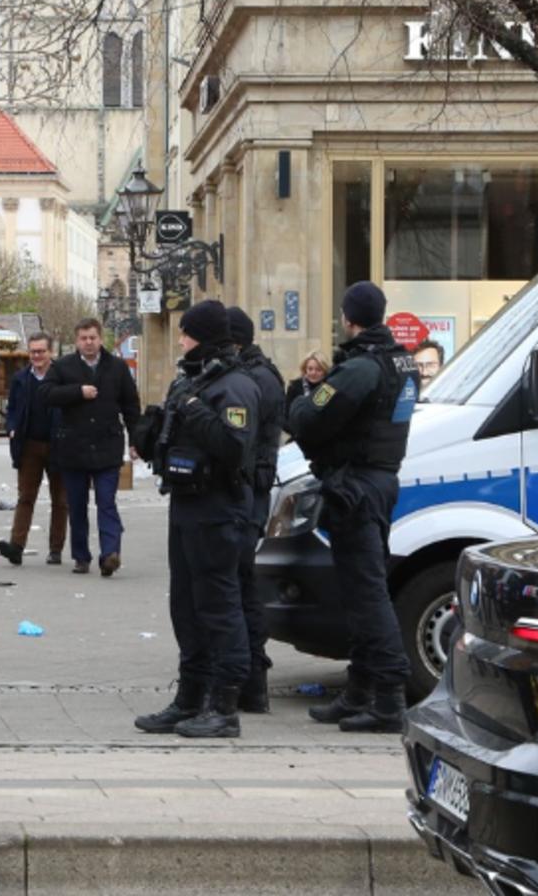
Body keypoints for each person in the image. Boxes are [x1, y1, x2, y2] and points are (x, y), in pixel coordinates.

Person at [287, 281, 419, 733]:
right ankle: (360, 688)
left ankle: (388, 697)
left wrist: (302, 402)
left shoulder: (361, 368)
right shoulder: (403, 362)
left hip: (356, 487)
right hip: (378, 482)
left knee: (367, 594)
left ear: (349, 318)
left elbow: (308, 419)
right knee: (363, 589)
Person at [131, 301, 259, 739]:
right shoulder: (194, 380)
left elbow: (233, 446)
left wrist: (191, 407)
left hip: (218, 507)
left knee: (219, 607)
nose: (180, 340)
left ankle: (224, 706)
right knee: (185, 606)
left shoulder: (234, 385)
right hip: (186, 503)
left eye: (186, 333)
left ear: (201, 336)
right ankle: (189, 697)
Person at [42, 319, 141, 576]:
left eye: (93, 338)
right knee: (76, 505)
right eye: (84, 338)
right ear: (77, 341)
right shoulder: (63, 366)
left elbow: (131, 406)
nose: (88, 342)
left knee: (106, 502)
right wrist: (77, 392)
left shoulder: (117, 367)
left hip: (107, 447)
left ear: (101, 339)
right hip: (73, 448)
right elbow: (47, 394)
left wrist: (136, 442)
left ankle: (110, 554)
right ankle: (81, 556)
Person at [225, 307, 284, 713]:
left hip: (249, 491)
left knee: (242, 585)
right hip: (252, 488)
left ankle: (252, 678)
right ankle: (251, 678)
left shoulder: (255, 380)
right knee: (242, 582)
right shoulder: (262, 374)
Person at [0, 333, 67, 565]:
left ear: (51, 353)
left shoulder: (63, 376)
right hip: (29, 445)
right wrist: (11, 428)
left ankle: (55, 549)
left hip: (58, 444)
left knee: (60, 499)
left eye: (41, 351)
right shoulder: (20, 379)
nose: (37, 356)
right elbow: (13, 409)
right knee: (25, 497)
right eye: (33, 351)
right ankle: (16, 546)